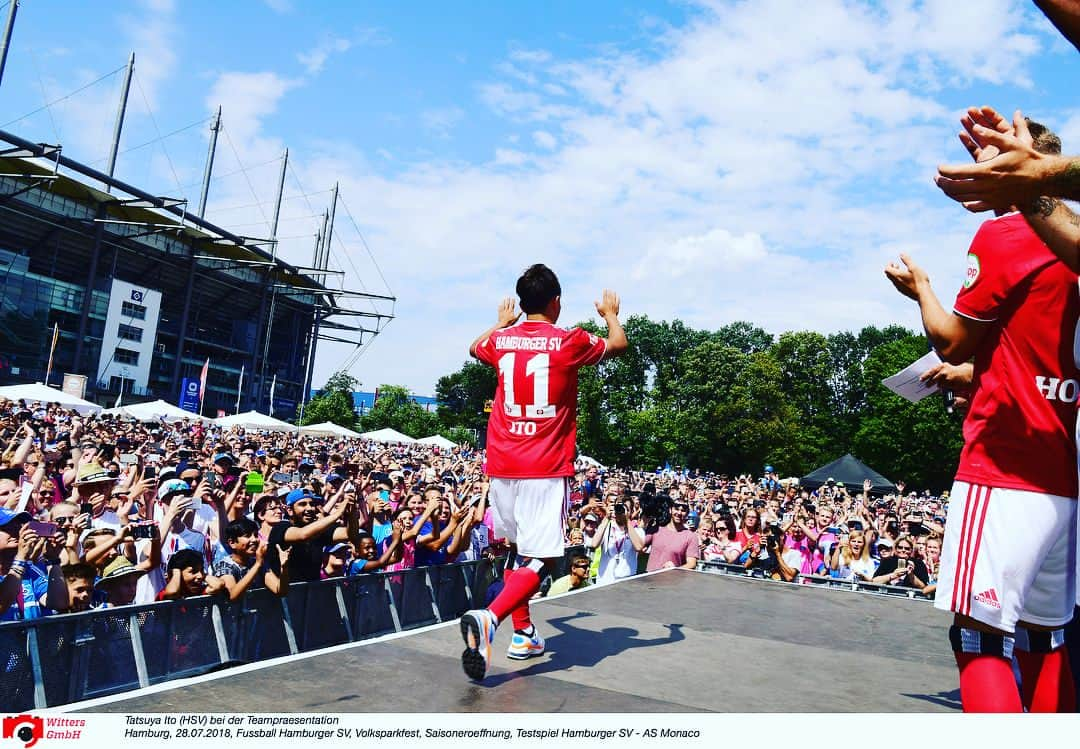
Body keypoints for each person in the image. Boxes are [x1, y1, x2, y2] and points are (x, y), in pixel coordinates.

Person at [886, 118, 1079, 711]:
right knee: (1046, 638)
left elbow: (952, 340)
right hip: (1062, 469)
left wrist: (920, 288)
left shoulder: (1008, 235)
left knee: (979, 635)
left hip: (1004, 462)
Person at [458, 264, 627, 681]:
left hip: (501, 462)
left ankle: (524, 634)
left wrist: (500, 322)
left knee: (519, 551)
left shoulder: (501, 340)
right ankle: (491, 618)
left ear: (522, 302)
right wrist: (609, 313)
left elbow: (472, 347)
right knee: (545, 556)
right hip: (544, 464)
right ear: (555, 302)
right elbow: (618, 344)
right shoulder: (568, 340)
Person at [644, 499, 698, 572]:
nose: (679, 513)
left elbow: (691, 564)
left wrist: (675, 570)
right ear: (670, 510)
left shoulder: (691, 536)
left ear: (687, 513)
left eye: (683, 510)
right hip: (650, 580)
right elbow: (639, 546)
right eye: (676, 509)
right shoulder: (656, 529)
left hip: (673, 581)